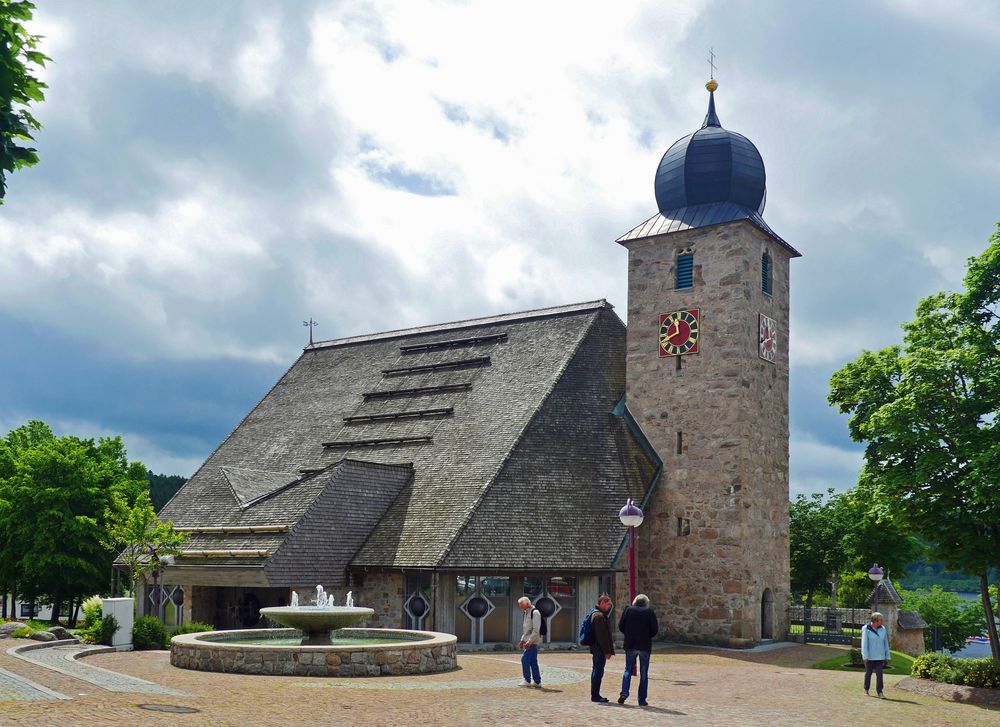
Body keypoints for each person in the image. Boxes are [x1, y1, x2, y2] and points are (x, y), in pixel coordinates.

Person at [617, 593, 658, 706]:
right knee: (644, 673)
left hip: (630, 644)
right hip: (644, 645)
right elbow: (654, 630)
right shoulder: (649, 612)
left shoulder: (628, 610)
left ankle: (624, 692)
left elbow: (621, 626)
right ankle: (641, 699)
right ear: (646, 603)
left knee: (628, 669)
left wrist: (629, 634)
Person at [589, 593, 616, 703]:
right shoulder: (599, 616)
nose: (609, 607)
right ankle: (595, 695)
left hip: (596, 649)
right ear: (602, 603)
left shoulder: (597, 614)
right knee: (598, 672)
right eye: (608, 604)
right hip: (599, 649)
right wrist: (607, 651)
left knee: (596, 670)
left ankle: (595, 694)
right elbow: (602, 636)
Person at [861, 612, 890, 699]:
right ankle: (866, 689)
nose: (883, 621)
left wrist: (887, 655)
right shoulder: (866, 629)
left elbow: (885, 643)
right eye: (881, 620)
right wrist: (865, 656)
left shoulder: (883, 629)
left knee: (879, 674)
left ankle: (880, 692)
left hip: (880, 656)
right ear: (876, 621)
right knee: (868, 673)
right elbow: (864, 643)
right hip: (869, 657)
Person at [517, 596, 542, 687]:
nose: (520, 607)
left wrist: (529, 642)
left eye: (521, 605)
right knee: (533, 661)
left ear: (527, 604)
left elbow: (536, 630)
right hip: (529, 641)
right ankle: (537, 681)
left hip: (532, 641)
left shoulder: (535, 613)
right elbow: (526, 630)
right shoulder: (527, 612)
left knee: (524, 659)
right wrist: (522, 640)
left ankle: (527, 680)